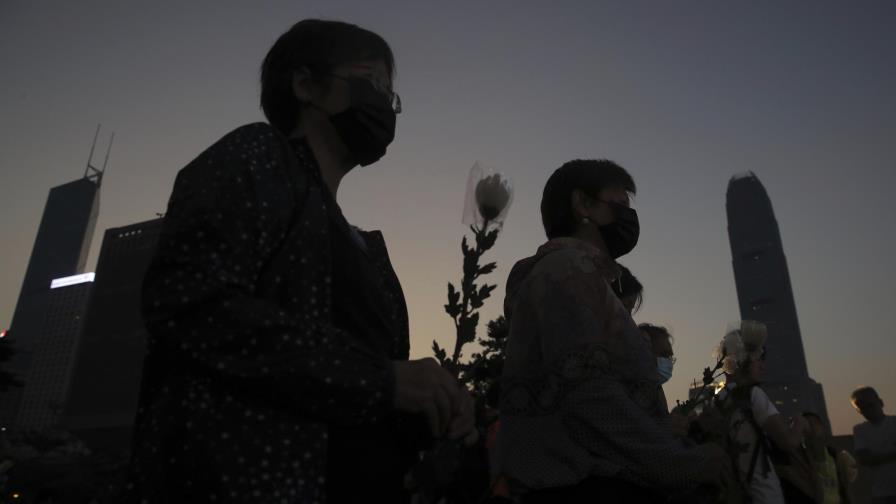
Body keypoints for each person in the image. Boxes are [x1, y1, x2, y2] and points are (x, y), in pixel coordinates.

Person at [124, 19, 474, 504]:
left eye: (391, 96)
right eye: (371, 83)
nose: (384, 105)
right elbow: (189, 302)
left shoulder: (366, 247)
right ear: (306, 85)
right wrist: (379, 379)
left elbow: (371, 388)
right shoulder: (257, 155)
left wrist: (433, 407)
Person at [495, 159, 728, 503]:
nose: (627, 217)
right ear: (583, 205)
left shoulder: (587, 279)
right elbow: (591, 397)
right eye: (618, 205)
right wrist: (682, 463)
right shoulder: (566, 270)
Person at [715, 320, 810, 504]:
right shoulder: (753, 394)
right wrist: (800, 424)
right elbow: (788, 442)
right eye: (759, 359)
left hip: (731, 493)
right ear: (743, 360)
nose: (762, 366)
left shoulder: (719, 399)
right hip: (764, 493)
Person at [851, 386, 896, 504]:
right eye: (863, 408)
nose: (868, 410)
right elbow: (864, 459)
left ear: (880, 403)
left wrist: (878, 457)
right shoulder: (860, 430)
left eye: (871, 405)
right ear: (859, 410)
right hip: (881, 493)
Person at [802, 412, 854, 504]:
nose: (812, 427)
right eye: (807, 424)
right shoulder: (800, 455)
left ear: (822, 427)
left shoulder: (832, 453)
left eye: (814, 423)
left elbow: (842, 483)